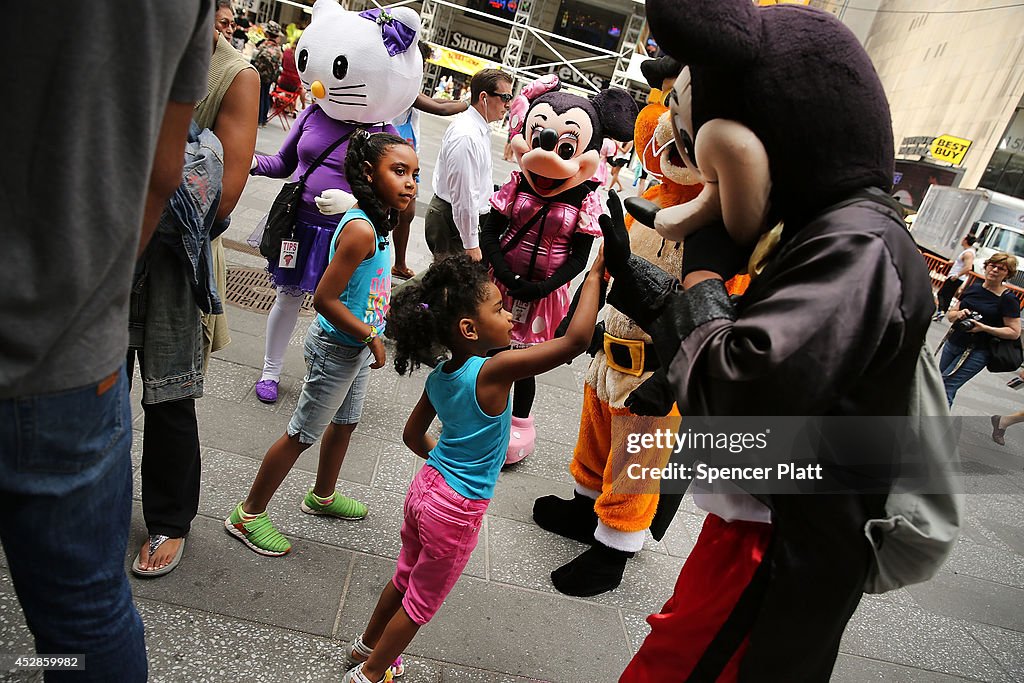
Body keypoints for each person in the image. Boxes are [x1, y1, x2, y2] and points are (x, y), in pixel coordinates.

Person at [1, 2, 212, 679]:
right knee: (83, 619)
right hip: (75, 354)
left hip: (80, 356)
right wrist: (95, 285)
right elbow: (163, 168)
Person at [340, 250, 607, 683]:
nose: (508, 317)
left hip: (424, 489)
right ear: (469, 328)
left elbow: (413, 436)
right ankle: (371, 673)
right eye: (499, 310)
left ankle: (366, 645)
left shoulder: (441, 375)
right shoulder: (495, 371)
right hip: (456, 508)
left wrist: (447, 465)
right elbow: (574, 343)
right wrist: (594, 276)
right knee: (421, 603)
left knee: (404, 575)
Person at [226, 132, 416, 556]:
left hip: (357, 349)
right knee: (301, 433)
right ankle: (248, 514)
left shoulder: (377, 220)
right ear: (369, 173)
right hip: (337, 349)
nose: (410, 183)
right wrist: (369, 334)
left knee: (345, 423)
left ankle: (322, 496)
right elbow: (325, 299)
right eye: (399, 171)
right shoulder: (361, 231)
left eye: (414, 174)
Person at [129, 0, 260, 579]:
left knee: (169, 398)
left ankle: (170, 518)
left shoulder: (234, 75)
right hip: (110, 249)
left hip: (176, 262)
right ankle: (87, 504)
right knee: (92, 389)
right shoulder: (132, 49)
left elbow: (224, 196)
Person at [249, 2, 423, 404]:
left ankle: (325, 370)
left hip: (349, 237)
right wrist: (248, 162)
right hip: (300, 225)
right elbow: (283, 163)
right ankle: (270, 371)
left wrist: (354, 202)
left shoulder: (385, 134)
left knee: (342, 305)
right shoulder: (312, 112)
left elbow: (397, 201)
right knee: (288, 296)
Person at [390, 42, 469, 281]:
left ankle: (400, 264)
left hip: (407, 154)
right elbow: (440, 109)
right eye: (420, 64)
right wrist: (470, 103)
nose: (421, 69)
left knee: (406, 213)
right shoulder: (400, 86)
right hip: (393, 155)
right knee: (395, 212)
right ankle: (384, 260)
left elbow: (440, 103)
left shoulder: (409, 85)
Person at [424, 68, 512, 263]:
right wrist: (471, 244)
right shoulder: (466, 136)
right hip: (452, 220)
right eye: (505, 97)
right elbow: (464, 196)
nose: (508, 104)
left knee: (449, 285)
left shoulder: (478, 129)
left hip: (457, 220)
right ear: (484, 97)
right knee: (448, 285)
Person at [940, 253, 1021, 405]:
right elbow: (950, 316)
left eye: (1001, 268)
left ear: (1007, 274)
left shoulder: (1008, 299)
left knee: (946, 386)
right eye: (992, 265)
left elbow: (1014, 332)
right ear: (986, 266)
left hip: (977, 351)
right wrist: (959, 314)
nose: (995, 270)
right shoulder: (974, 288)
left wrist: (984, 328)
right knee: (938, 383)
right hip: (954, 343)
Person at [934, 235, 977, 320]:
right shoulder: (966, 252)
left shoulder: (968, 253)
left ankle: (941, 311)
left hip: (955, 277)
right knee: (948, 296)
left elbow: (968, 267)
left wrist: (957, 275)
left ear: (965, 240)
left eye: (963, 239)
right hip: (956, 276)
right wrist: (952, 263)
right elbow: (961, 264)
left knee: (941, 293)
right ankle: (941, 314)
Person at [252, 21, 283, 126]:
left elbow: (254, 58)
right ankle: (263, 119)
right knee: (266, 95)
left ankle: (258, 119)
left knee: (260, 96)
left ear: (268, 34)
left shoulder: (263, 45)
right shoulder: (279, 50)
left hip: (259, 74)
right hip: (270, 77)